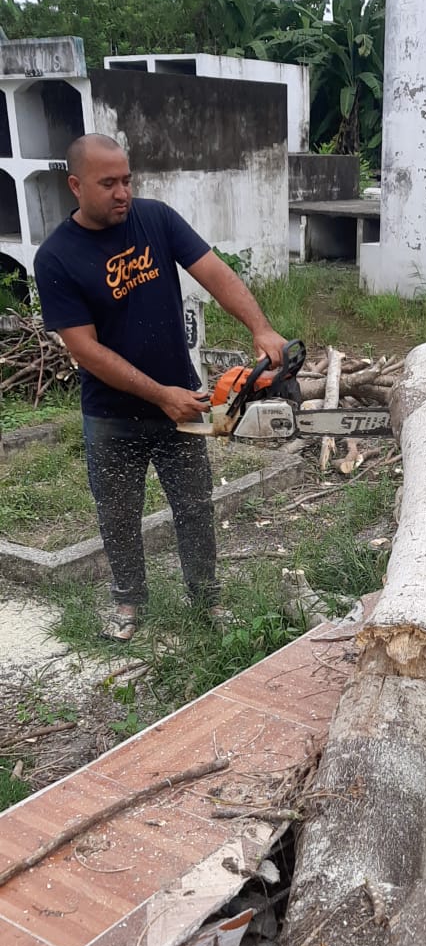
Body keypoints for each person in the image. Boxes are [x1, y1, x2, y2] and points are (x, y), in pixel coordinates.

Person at [33, 133, 286, 641]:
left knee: (194, 506)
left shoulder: (156, 219)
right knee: (118, 515)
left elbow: (215, 273)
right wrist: (161, 395)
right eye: (108, 183)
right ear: (76, 186)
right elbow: (85, 350)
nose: (123, 192)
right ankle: (128, 602)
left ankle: (207, 600)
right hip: (111, 414)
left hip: (183, 401)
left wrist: (260, 327)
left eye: (127, 180)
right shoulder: (56, 257)